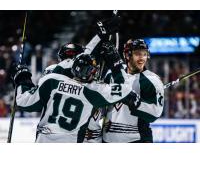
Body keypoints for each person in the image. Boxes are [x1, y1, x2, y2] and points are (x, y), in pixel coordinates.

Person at [12, 41, 140, 143]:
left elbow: (23, 102)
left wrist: (23, 79)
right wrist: (116, 62)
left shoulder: (51, 79)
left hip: (44, 139)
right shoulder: (93, 90)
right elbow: (124, 88)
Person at [102, 39, 164, 143]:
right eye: (137, 54)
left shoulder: (152, 81)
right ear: (127, 55)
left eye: (144, 54)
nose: (142, 58)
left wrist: (136, 102)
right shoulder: (112, 74)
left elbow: (155, 114)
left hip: (136, 139)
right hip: (107, 139)